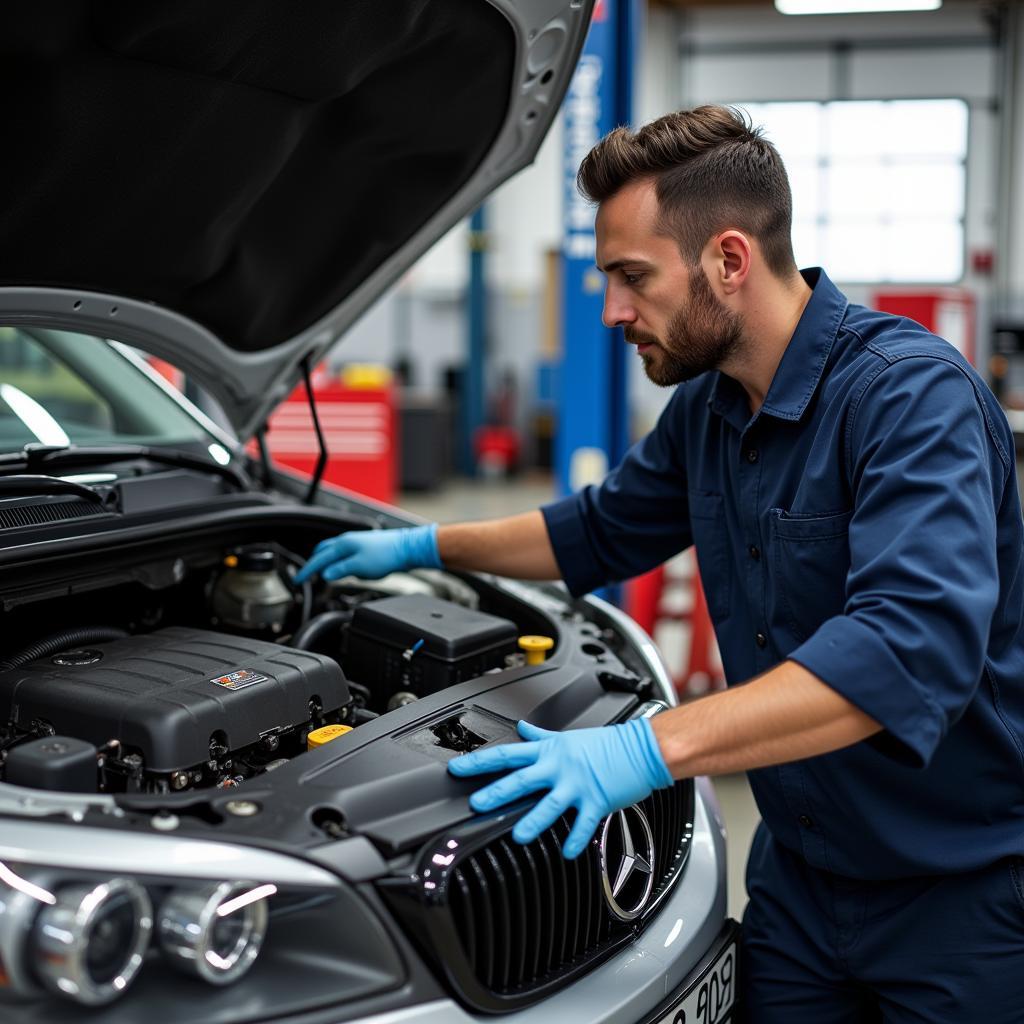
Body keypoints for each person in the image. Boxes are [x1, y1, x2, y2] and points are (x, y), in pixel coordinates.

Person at [296, 105, 1024, 1021]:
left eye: (631, 278)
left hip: (960, 896)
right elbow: (594, 533)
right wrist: (421, 543)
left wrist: (645, 750)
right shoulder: (711, 408)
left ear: (728, 259)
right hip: (799, 883)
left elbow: (907, 653)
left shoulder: (911, 401)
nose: (612, 312)